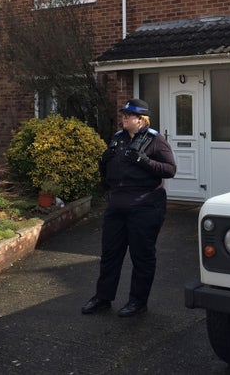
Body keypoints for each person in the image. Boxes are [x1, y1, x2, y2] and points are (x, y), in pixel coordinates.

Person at [82, 99, 176, 317]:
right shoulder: (118, 138)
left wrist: (144, 161)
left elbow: (170, 170)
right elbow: (109, 171)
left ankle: (138, 301)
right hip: (117, 205)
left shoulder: (155, 140)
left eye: (128, 115)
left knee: (141, 256)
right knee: (110, 254)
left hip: (145, 205)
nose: (124, 118)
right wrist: (103, 164)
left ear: (141, 119)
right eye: (123, 115)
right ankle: (103, 297)